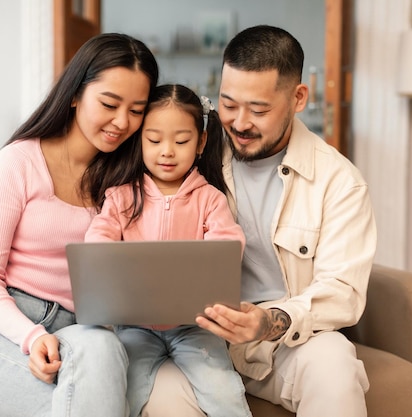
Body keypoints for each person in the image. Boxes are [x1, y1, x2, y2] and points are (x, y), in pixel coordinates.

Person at [146, 25, 378, 417]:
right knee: (162, 398)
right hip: (192, 337)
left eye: (258, 109)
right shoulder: (192, 149)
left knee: (335, 364)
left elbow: (342, 291)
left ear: (298, 97)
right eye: (228, 103)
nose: (238, 122)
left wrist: (267, 321)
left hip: (284, 339)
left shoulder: (339, 182)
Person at [0, 33, 159, 417]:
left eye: (137, 110)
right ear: (74, 94)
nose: (122, 122)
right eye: (109, 103)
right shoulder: (18, 163)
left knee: (104, 355)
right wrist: (31, 335)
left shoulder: (128, 180)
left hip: (80, 328)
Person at [85, 84, 251, 417]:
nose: (167, 152)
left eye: (181, 141)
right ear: (139, 140)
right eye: (155, 140)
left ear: (201, 142)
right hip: (134, 325)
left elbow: (229, 245)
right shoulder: (122, 197)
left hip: (196, 325)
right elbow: (97, 241)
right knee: (123, 390)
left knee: (224, 390)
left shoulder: (210, 199)